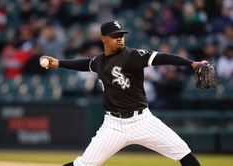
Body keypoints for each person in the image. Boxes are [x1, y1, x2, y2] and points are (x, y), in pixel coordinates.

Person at [40, 20, 206, 166]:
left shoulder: (133, 55)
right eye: (114, 35)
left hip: (143, 120)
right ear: (103, 39)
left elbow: (163, 58)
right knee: (84, 164)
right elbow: (84, 64)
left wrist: (191, 64)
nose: (119, 38)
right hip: (113, 125)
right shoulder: (99, 61)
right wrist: (59, 63)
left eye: (121, 35)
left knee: (183, 153)